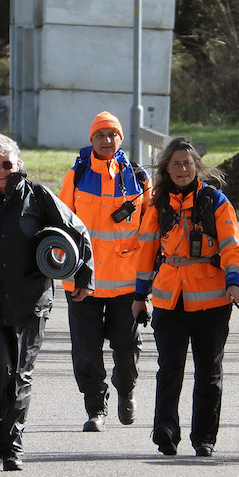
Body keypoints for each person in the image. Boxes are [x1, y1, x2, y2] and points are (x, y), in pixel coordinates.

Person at [0, 131, 94, 471]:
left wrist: (83, 276)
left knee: (20, 375)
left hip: (31, 300)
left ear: (18, 165)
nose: (2, 171)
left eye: (8, 164)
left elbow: (77, 230)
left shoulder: (37, 196)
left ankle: (12, 448)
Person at [131, 137, 239, 457]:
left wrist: (234, 281)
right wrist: (139, 296)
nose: (183, 168)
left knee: (209, 372)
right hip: (170, 301)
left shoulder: (215, 200)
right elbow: (146, 252)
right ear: (167, 169)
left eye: (188, 162)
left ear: (196, 166)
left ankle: (204, 438)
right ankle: (165, 430)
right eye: (176, 163)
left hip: (212, 301)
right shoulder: (157, 204)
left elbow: (233, 246)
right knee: (170, 368)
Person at [58, 111, 151, 432]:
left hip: (126, 283)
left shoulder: (138, 178)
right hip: (82, 283)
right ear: (91, 140)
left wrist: (150, 279)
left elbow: (151, 230)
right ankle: (95, 409)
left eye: (112, 135)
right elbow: (61, 224)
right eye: (100, 135)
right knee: (86, 353)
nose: (107, 140)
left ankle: (126, 391)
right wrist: (60, 265)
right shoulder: (77, 175)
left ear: (121, 139)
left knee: (127, 349)